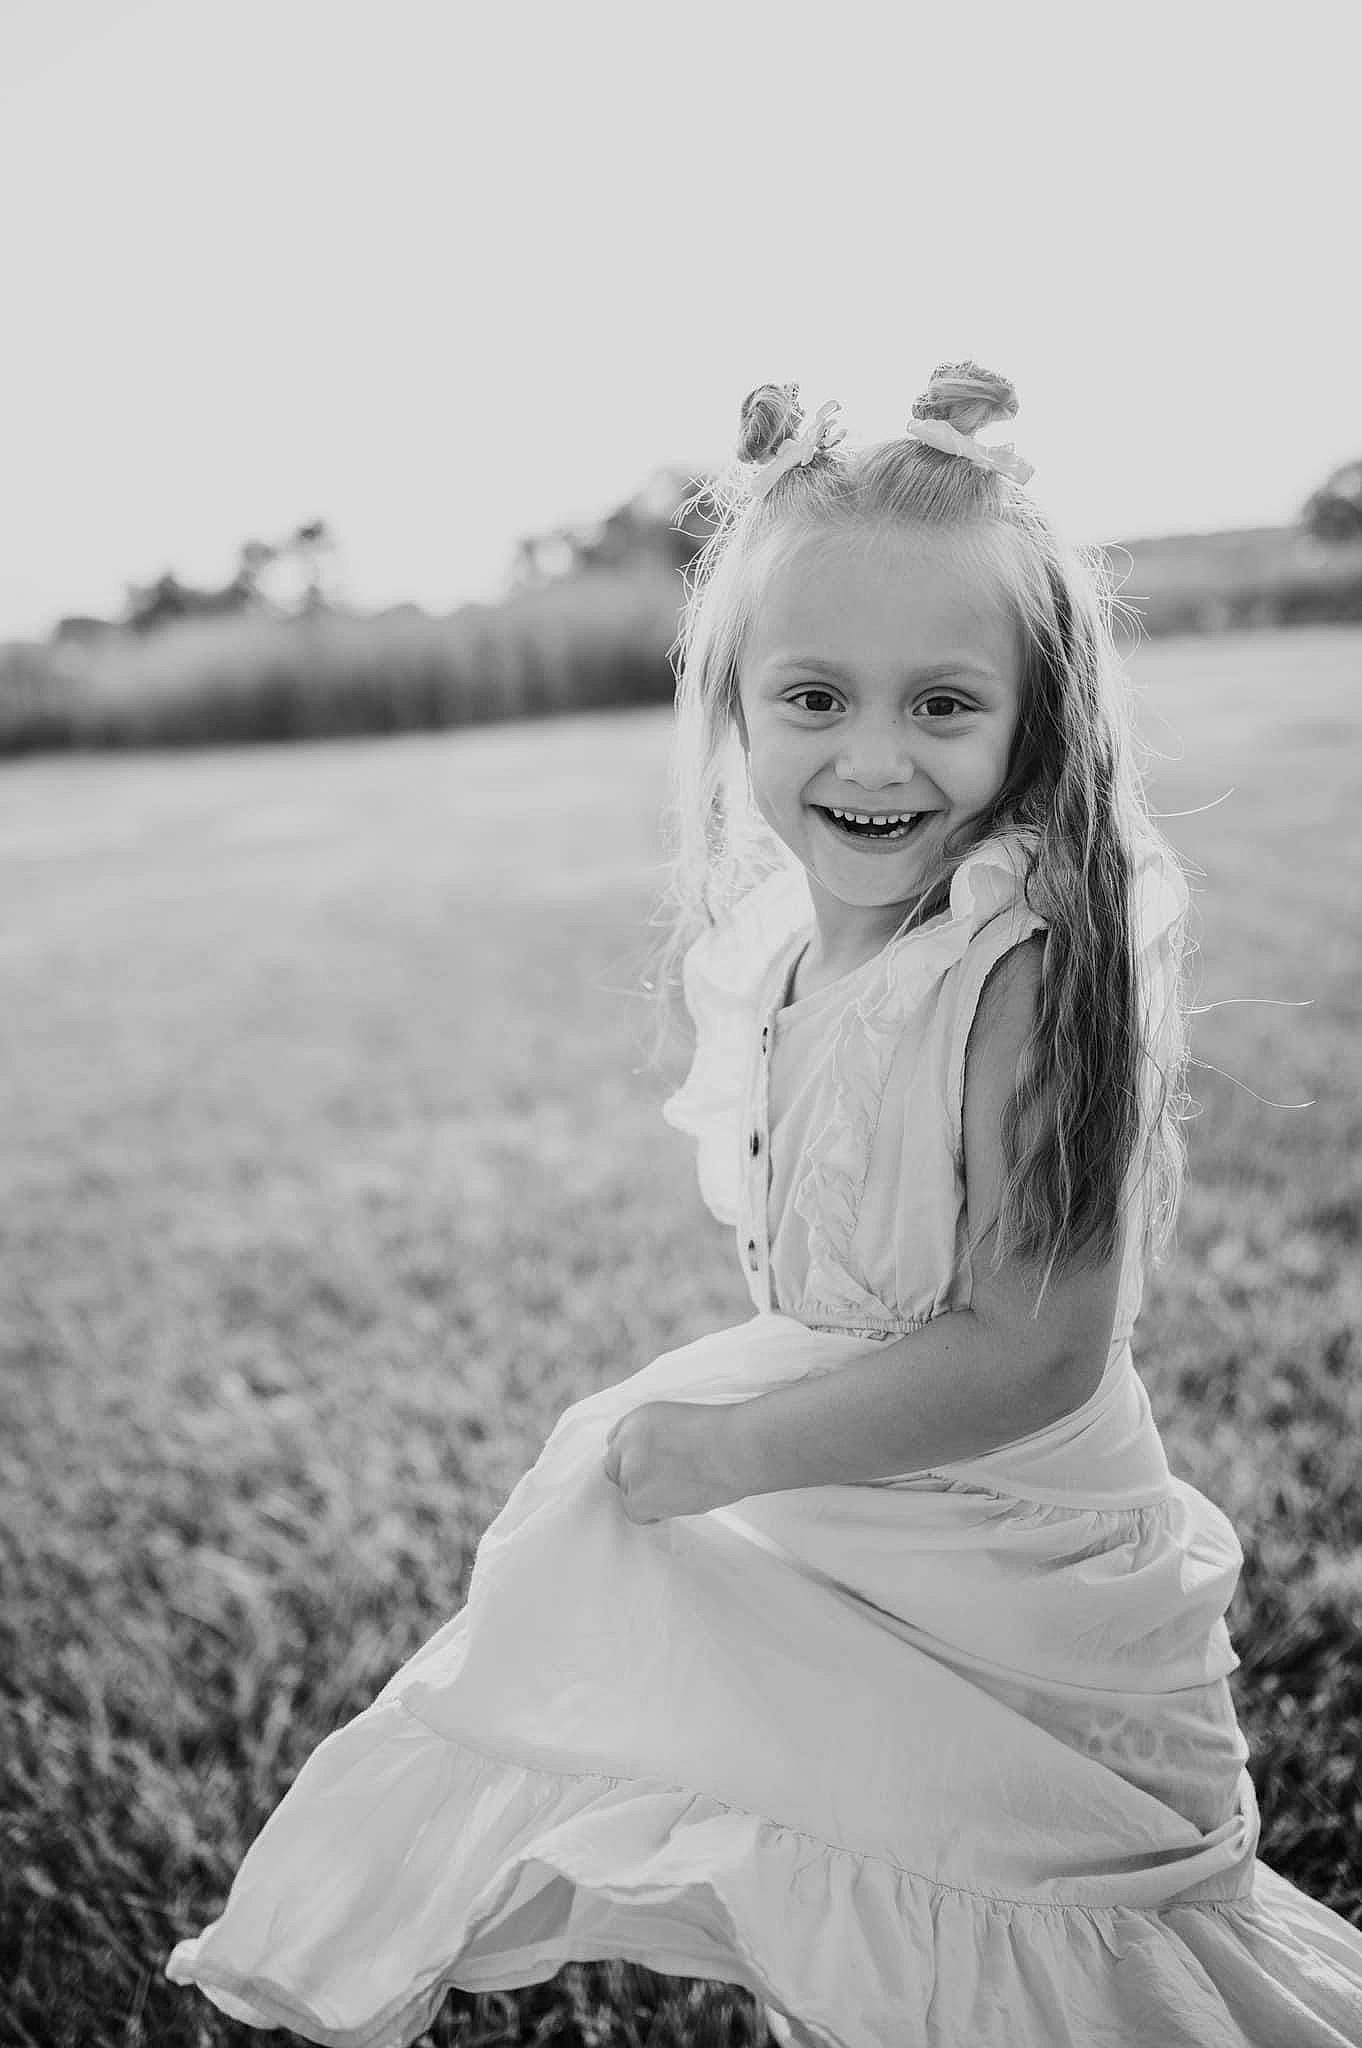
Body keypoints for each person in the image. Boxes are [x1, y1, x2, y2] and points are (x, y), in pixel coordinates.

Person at [165, 364, 1362, 2048]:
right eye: (813, 698)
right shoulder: (793, 959)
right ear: (733, 709)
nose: (872, 755)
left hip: (1015, 1596)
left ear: (1039, 717)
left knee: (1054, 1955)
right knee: (873, 1935)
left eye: (943, 705)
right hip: (854, 1549)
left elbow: (1031, 1354)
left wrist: (708, 1457)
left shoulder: (1015, 964)